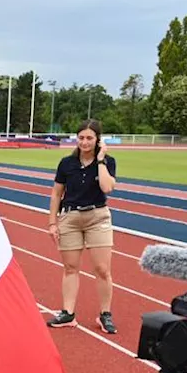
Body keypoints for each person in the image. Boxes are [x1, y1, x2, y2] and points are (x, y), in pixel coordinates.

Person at [46, 119, 117, 333]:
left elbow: (107, 187)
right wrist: (52, 222)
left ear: (98, 140)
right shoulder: (66, 164)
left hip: (98, 217)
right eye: (81, 138)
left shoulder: (108, 161)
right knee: (70, 268)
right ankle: (68, 313)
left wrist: (101, 160)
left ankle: (105, 314)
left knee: (102, 270)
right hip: (70, 218)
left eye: (89, 138)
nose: (84, 142)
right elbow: (57, 193)